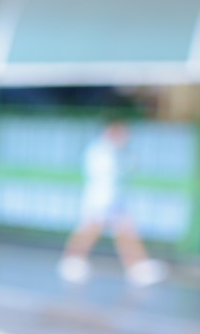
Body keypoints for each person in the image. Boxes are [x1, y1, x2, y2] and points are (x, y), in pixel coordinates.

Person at [59, 120, 167, 286]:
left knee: (123, 232)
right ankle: (72, 261)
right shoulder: (101, 151)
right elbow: (105, 176)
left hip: (110, 199)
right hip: (101, 199)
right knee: (91, 230)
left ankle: (136, 266)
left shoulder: (113, 151)